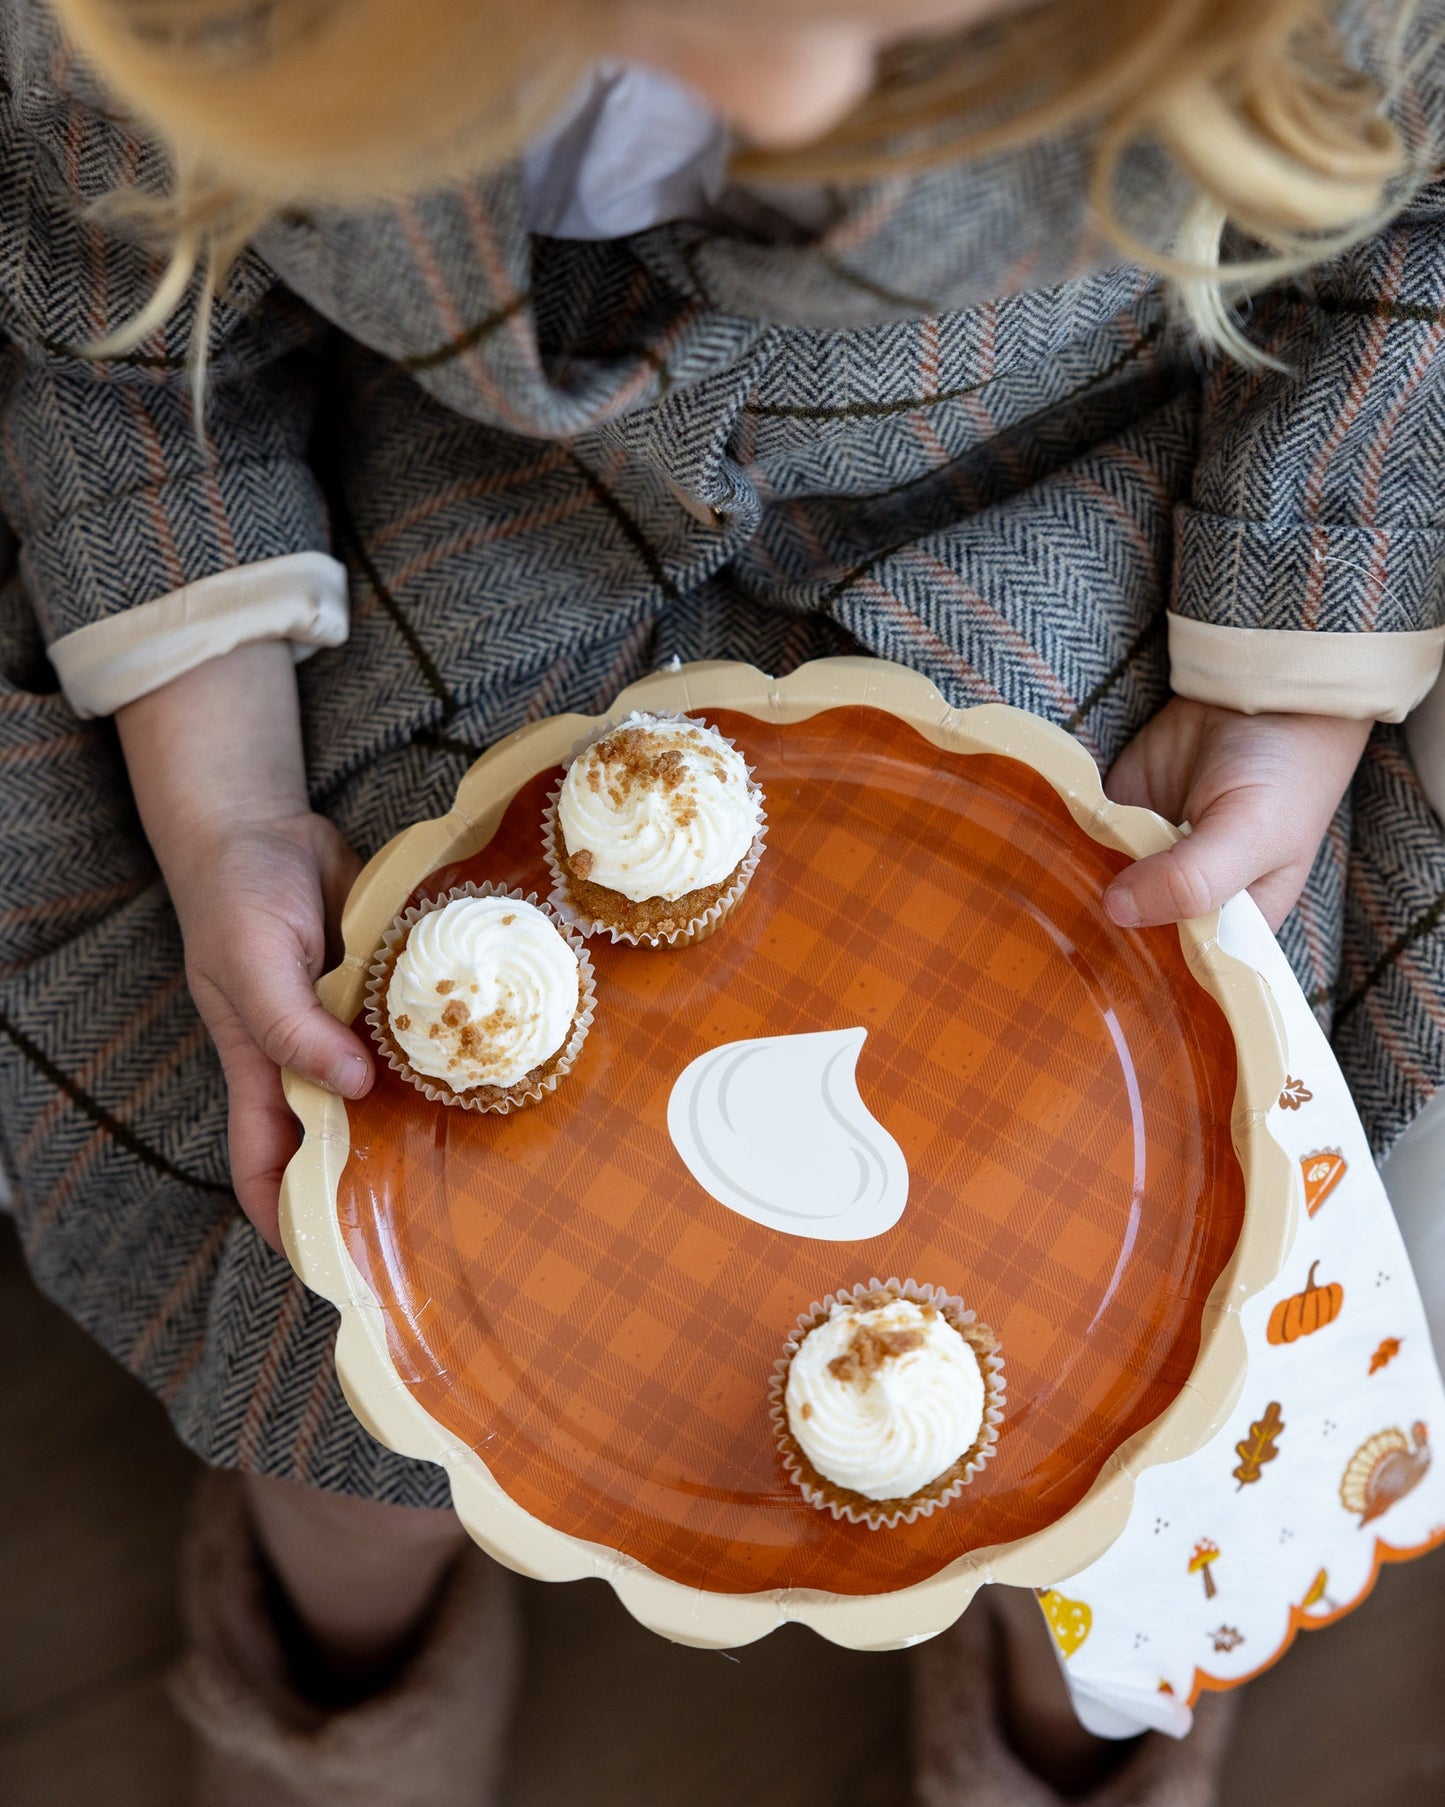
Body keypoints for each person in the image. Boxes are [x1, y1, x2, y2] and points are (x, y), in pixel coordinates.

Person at [0, 0, 1442, 1800]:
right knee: (341, 1381)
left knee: (1146, 1409)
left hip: (1076, 623)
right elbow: (128, 326)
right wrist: (223, 803)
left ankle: (1080, 1729)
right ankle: (338, 1676)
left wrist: (1283, 687)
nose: (798, 100)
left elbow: (1405, 229)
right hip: (456, 614)